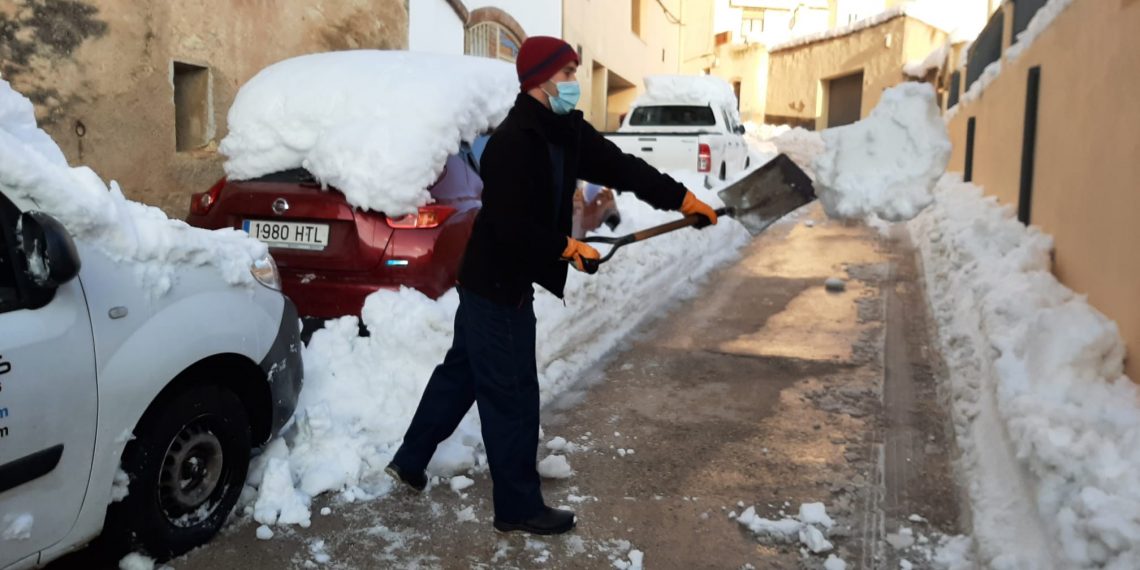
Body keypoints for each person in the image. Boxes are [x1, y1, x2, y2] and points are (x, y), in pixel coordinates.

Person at [385, 36, 718, 536]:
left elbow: (620, 166)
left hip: (502, 278)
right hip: (496, 284)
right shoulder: (513, 142)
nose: (573, 83)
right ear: (539, 79)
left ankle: (410, 461)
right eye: (566, 74)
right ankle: (517, 507)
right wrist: (564, 248)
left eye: (573, 73)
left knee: (466, 373)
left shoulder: (564, 130)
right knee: (513, 393)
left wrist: (681, 197)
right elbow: (506, 225)